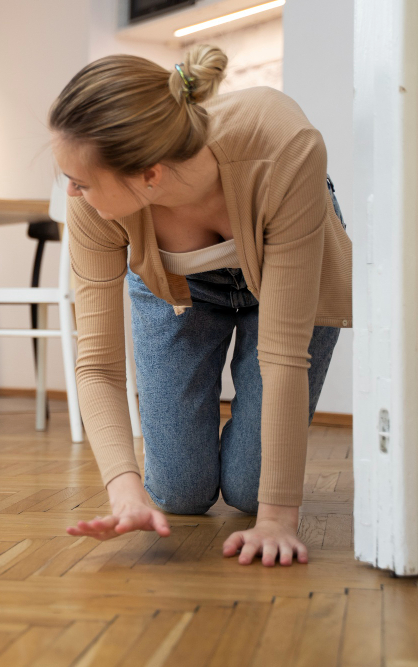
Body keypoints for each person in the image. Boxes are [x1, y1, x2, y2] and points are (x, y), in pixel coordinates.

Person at [49, 45, 352, 567]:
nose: (70, 194)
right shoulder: (94, 209)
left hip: (289, 252)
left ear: (150, 173)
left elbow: (283, 355)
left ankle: (255, 475)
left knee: (254, 493)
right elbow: (97, 365)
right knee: (177, 494)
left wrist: (277, 520)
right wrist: (125, 492)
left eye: (81, 182)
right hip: (179, 288)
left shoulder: (284, 146)